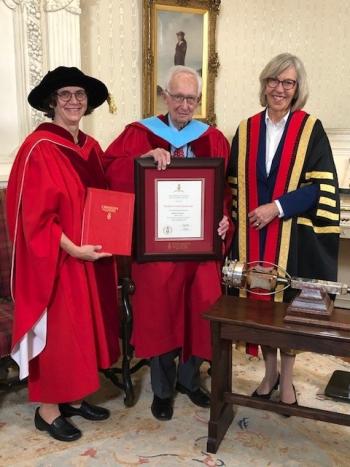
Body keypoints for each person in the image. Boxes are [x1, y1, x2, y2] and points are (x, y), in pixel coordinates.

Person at [103, 65, 233, 421]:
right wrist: (140, 161)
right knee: (160, 309)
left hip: (200, 249)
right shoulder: (139, 134)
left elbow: (224, 192)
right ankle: (162, 389)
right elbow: (109, 168)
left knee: (201, 305)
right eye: (178, 96)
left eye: (191, 98)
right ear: (165, 96)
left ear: (199, 100)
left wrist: (224, 219)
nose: (184, 105)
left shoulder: (214, 137)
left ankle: (189, 381)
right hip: (157, 249)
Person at [6, 66, 120, 441]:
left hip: (89, 258)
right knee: (60, 335)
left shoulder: (88, 146)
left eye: (80, 95)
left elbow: (109, 190)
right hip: (59, 260)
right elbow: (34, 217)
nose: (73, 101)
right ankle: (48, 409)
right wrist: (74, 249)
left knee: (83, 332)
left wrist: (150, 156)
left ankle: (74, 396)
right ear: (52, 101)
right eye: (66, 95)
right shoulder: (38, 148)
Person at [228, 53, 340, 407]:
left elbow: (319, 187)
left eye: (287, 83)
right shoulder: (246, 130)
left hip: (291, 237)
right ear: (264, 84)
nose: (279, 89)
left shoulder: (310, 128)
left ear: (297, 89)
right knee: (259, 306)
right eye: (273, 81)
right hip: (253, 239)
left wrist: (276, 208)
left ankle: (287, 381)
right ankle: (269, 373)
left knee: (288, 309)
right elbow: (232, 184)